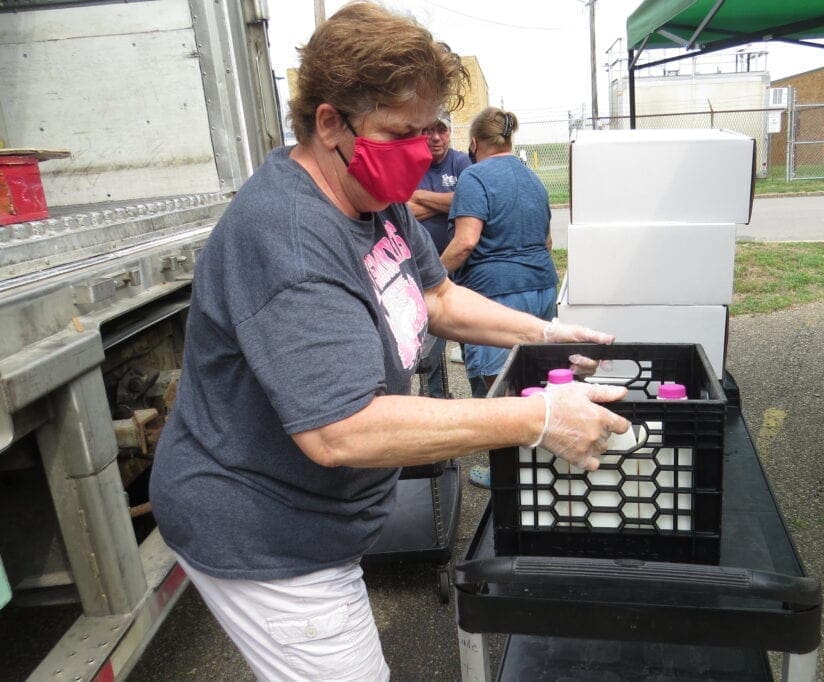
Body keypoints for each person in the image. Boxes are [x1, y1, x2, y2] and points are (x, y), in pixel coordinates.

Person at [148, 3, 629, 680]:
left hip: (322, 515)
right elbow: (342, 428)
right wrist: (538, 418)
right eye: (403, 131)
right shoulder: (289, 238)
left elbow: (435, 297)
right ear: (328, 122)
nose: (423, 150)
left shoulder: (373, 194)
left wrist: (546, 333)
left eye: (432, 130)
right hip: (263, 527)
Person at [440, 107, 559, 487]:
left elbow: (466, 242)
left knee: (498, 385)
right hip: (542, 285)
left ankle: (504, 474)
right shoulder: (533, 178)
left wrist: (428, 278)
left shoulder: (474, 176)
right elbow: (547, 241)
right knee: (534, 376)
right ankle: (541, 460)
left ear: (474, 144)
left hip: (498, 293)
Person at [407, 108, 470, 398]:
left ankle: (475, 396)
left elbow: (466, 200)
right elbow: (402, 210)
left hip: (460, 263)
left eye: (441, 130)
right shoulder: (412, 164)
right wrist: (448, 203)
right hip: (420, 267)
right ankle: (434, 396)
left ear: (449, 132)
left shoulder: (461, 162)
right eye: (428, 130)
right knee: (429, 334)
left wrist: (420, 195)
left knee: (468, 331)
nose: (435, 137)